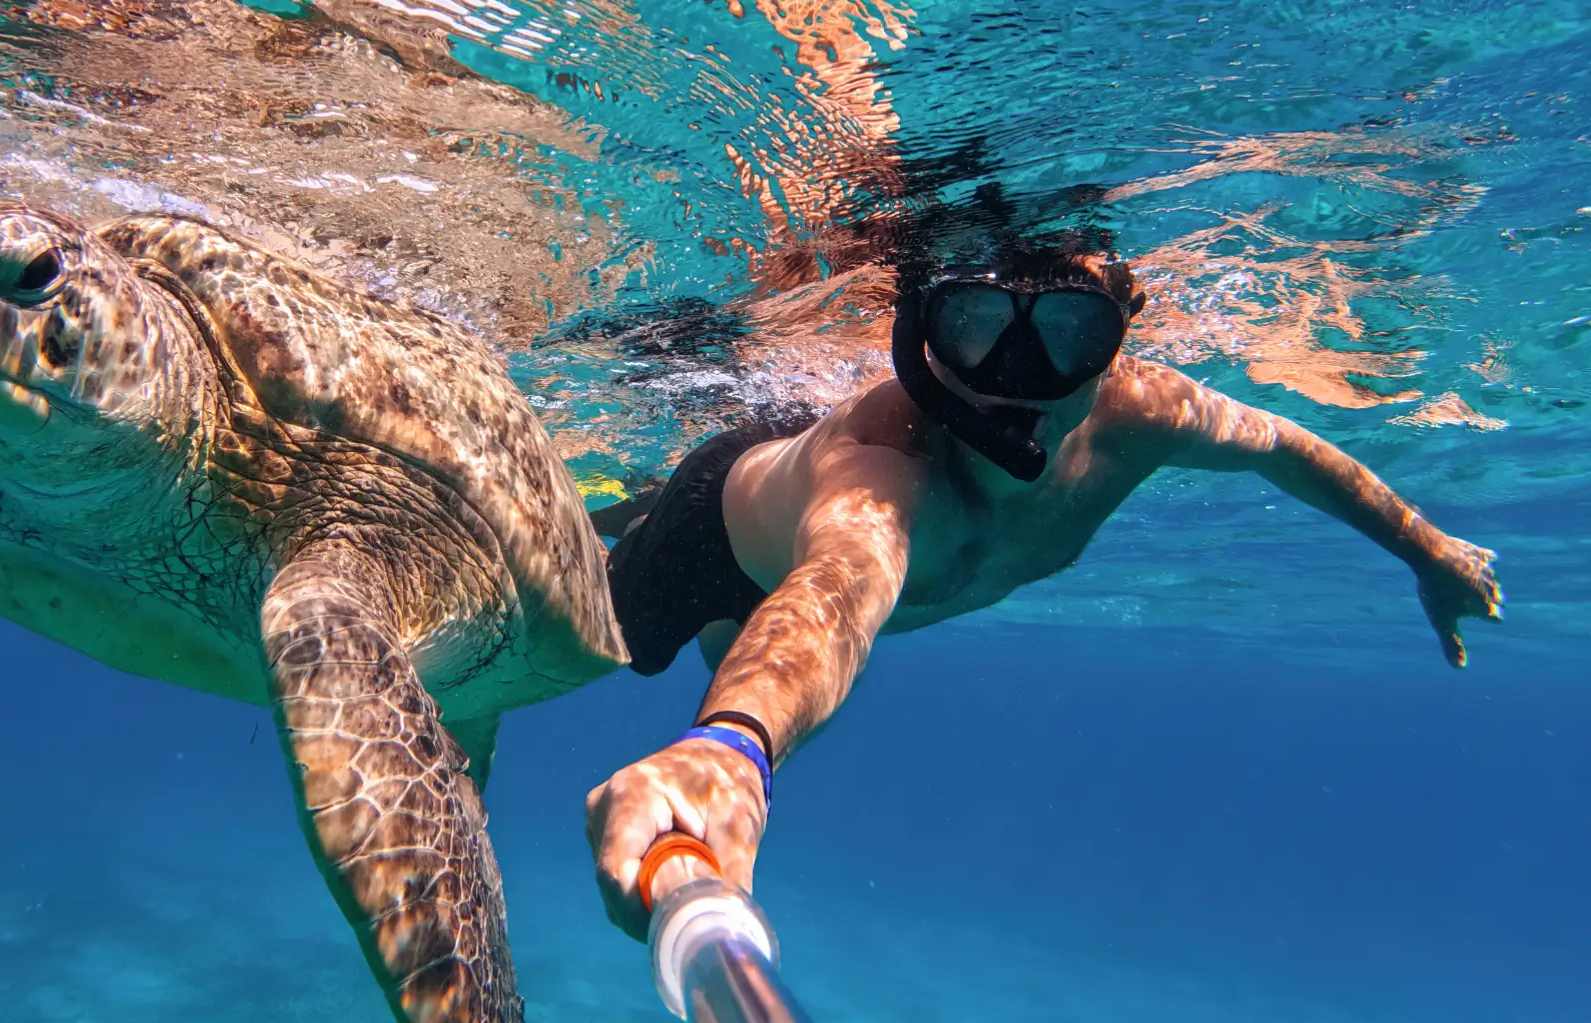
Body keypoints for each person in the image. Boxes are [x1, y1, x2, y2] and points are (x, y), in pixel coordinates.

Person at [584, 236, 1504, 940]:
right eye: (976, 330)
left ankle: (653, 517)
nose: (1018, 380)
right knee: (588, 640)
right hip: (714, 536)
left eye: (1069, 334)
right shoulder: (886, 464)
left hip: (773, 563)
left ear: (1116, 340)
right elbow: (837, 588)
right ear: (925, 339)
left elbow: (1284, 448)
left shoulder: (1142, 412)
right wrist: (732, 749)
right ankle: (635, 506)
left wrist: (1427, 551)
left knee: (717, 650)